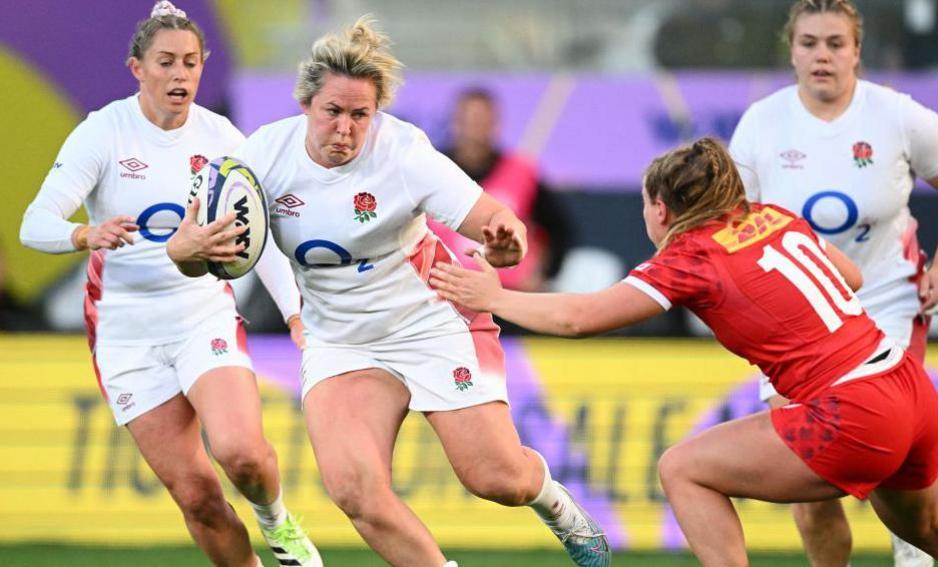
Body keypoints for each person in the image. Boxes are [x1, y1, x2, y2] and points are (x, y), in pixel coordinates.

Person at [430, 136, 938, 567]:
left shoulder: (692, 257)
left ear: (661, 209)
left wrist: (492, 296)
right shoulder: (774, 218)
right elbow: (851, 277)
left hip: (853, 411)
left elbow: (579, 318)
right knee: (928, 527)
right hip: (908, 388)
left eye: (645, 205)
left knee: (682, 468)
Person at [166, 15, 611, 567]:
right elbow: (204, 260)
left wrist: (505, 243)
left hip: (430, 322)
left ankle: (555, 502)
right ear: (306, 105)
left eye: (360, 114)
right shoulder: (261, 160)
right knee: (354, 490)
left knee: (497, 479)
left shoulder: (404, 154)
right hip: (341, 340)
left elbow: (494, 220)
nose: (346, 129)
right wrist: (184, 252)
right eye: (333, 111)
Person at [18, 3, 321, 566]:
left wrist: (297, 314)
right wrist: (85, 233)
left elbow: (262, 237)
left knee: (243, 456)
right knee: (197, 496)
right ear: (137, 68)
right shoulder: (103, 133)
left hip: (200, 313)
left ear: (203, 67)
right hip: (125, 331)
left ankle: (279, 526)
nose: (179, 75)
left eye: (189, 62)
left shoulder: (224, 138)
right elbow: (33, 225)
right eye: (165, 63)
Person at [728, 1, 938, 565]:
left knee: (894, 467)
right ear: (791, 51)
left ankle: (914, 556)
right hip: (801, 317)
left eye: (836, 44)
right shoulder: (760, 125)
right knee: (812, 488)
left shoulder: (899, 116)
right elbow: (737, 227)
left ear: (857, 52)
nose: (822, 55)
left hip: (887, 301)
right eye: (810, 43)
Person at [433, 87, 571, 293]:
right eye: (470, 120)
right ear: (456, 122)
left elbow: (558, 229)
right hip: (443, 291)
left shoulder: (521, 173)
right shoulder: (433, 169)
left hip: (507, 293)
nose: (476, 129)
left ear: (495, 123)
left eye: (482, 120)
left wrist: (543, 273)